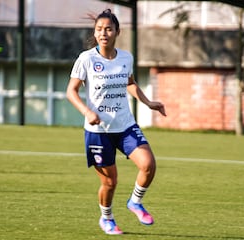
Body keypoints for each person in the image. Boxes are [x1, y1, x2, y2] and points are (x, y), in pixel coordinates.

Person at [66, 9, 166, 235]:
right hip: (98, 130)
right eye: (99, 29)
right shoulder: (86, 59)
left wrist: (148, 102)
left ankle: (135, 202)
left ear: (117, 32)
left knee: (148, 164)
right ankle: (106, 217)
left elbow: (129, 82)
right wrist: (87, 112)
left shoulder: (125, 58)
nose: (103, 33)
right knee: (110, 183)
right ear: (95, 32)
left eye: (108, 29)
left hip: (125, 125)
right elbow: (71, 92)